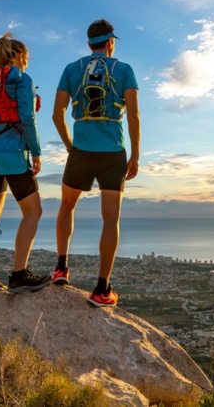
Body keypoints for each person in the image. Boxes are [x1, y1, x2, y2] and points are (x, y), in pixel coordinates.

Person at [51, 19, 141, 307]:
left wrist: (70, 146)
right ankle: (102, 288)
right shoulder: (124, 70)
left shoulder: (71, 69)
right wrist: (135, 155)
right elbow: (134, 116)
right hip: (114, 152)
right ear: (110, 41)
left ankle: (61, 269)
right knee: (110, 219)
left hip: (81, 150)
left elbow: (57, 114)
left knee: (67, 205)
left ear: (89, 44)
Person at [0, 33, 51, 293]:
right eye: (25, 58)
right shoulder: (22, 79)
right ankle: (19, 275)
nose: (26, 63)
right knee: (33, 211)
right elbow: (27, 119)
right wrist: (36, 151)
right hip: (12, 151)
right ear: (18, 56)